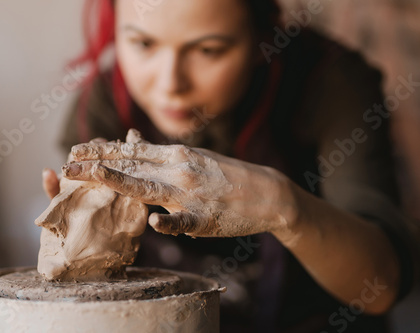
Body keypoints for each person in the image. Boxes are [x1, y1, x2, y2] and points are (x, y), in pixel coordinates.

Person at [42, 0, 418, 331]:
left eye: (208, 50)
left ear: (260, 37)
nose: (170, 82)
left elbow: (381, 287)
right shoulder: (107, 102)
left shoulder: (330, 84)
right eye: (142, 43)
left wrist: (284, 207)